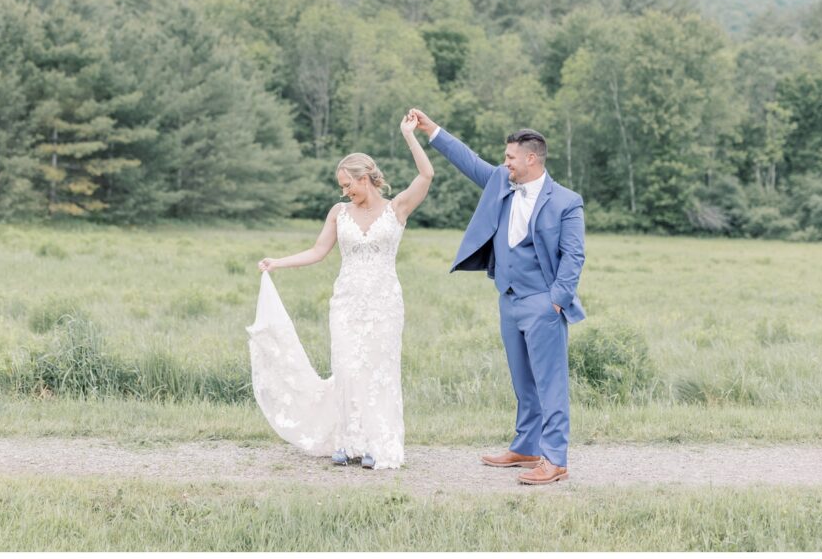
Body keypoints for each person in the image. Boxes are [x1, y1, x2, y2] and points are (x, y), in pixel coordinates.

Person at [409, 107, 586, 485]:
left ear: (531, 159)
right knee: (522, 380)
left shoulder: (566, 201)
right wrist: (432, 130)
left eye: (509, 157)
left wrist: (557, 299)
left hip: (543, 302)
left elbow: (574, 255)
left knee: (550, 384)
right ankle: (526, 447)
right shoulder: (501, 182)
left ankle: (556, 459)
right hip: (508, 299)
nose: (504, 162)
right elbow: (467, 160)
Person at [248, 112, 433, 470]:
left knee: (378, 368)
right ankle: (348, 442)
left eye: (349, 184)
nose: (345, 191)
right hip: (346, 302)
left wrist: (409, 135)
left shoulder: (397, 209)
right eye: (343, 186)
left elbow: (426, 175)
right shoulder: (339, 212)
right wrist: (278, 263)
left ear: (367, 178)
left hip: (384, 302)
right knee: (347, 367)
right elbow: (319, 251)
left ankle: (376, 444)